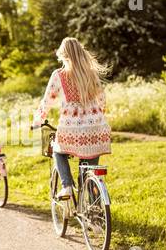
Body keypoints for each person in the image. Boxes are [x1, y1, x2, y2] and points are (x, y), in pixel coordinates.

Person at [31, 37, 112, 199]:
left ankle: (66, 186)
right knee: (89, 172)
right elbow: (102, 99)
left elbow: (47, 102)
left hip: (72, 129)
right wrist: (98, 115)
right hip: (97, 129)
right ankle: (95, 216)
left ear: (62, 55)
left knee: (57, 150)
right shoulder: (90, 73)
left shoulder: (58, 75)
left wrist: (37, 121)